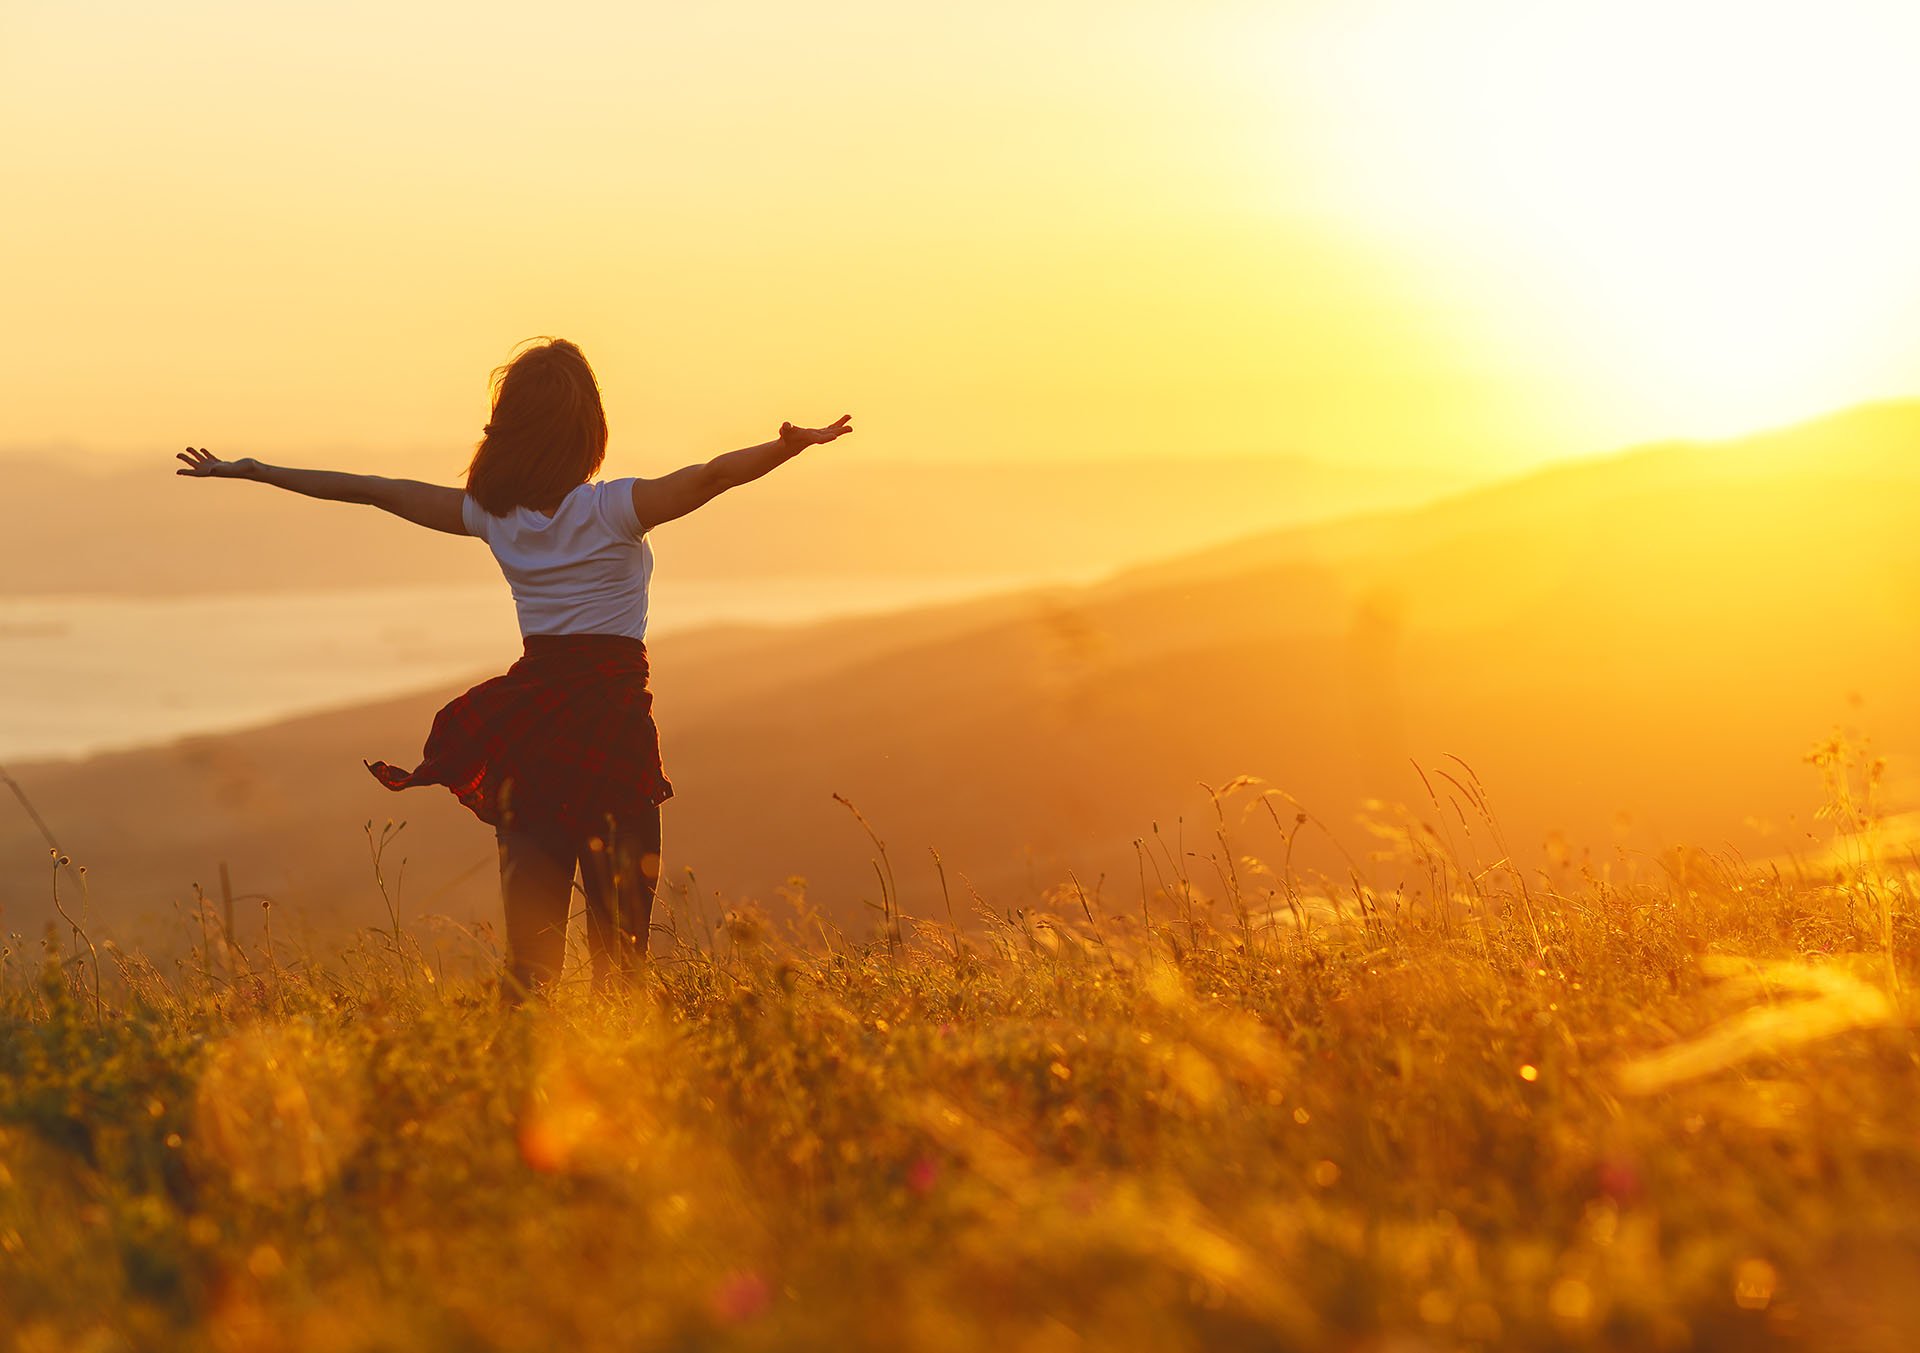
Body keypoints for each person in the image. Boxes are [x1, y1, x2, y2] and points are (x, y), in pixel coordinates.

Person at [174, 336, 852, 996]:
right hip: (613, 740)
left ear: (509, 430)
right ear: (587, 429)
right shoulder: (614, 509)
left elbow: (371, 489)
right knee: (622, 967)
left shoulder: (492, 516)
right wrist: (787, 449)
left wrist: (254, 469)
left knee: (531, 970)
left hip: (531, 739)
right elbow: (711, 476)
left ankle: (514, 1093)